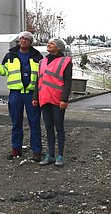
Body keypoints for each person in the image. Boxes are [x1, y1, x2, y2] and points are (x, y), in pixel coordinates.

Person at [0, 31, 43, 161]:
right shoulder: (10, 55)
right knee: (16, 122)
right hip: (15, 94)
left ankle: (37, 151)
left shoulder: (37, 57)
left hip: (31, 94)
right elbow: (4, 71)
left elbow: (42, 74)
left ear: (31, 42)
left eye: (27, 39)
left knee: (34, 123)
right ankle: (16, 149)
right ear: (18, 40)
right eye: (21, 38)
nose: (23, 41)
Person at [32, 38, 72, 167]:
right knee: (48, 127)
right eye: (48, 43)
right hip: (44, 98)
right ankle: (50, 154)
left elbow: (67, 82)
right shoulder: (42, 62)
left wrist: (64, 99)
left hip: (57, 99)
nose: (49, 44)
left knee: (59, 127)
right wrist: (35, 97)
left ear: (59, 47)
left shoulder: (65, 62)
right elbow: (38, 80)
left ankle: (60, 155)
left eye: (52, 43)